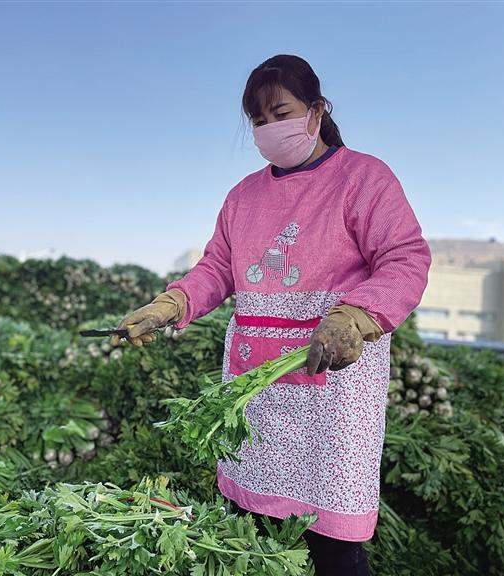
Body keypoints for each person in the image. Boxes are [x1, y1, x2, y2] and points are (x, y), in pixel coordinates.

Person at [110, 54, 431, 576]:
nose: (268, 129)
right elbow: (217, 267)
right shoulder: (243, 197)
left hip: (331, 392)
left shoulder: (363, 178)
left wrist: (355, 316)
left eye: (280, 113)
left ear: (316, 109)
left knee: (332, 548)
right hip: (254, 390)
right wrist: (168, 305)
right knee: (248, 536)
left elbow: (405, 258)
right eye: (258, 121)